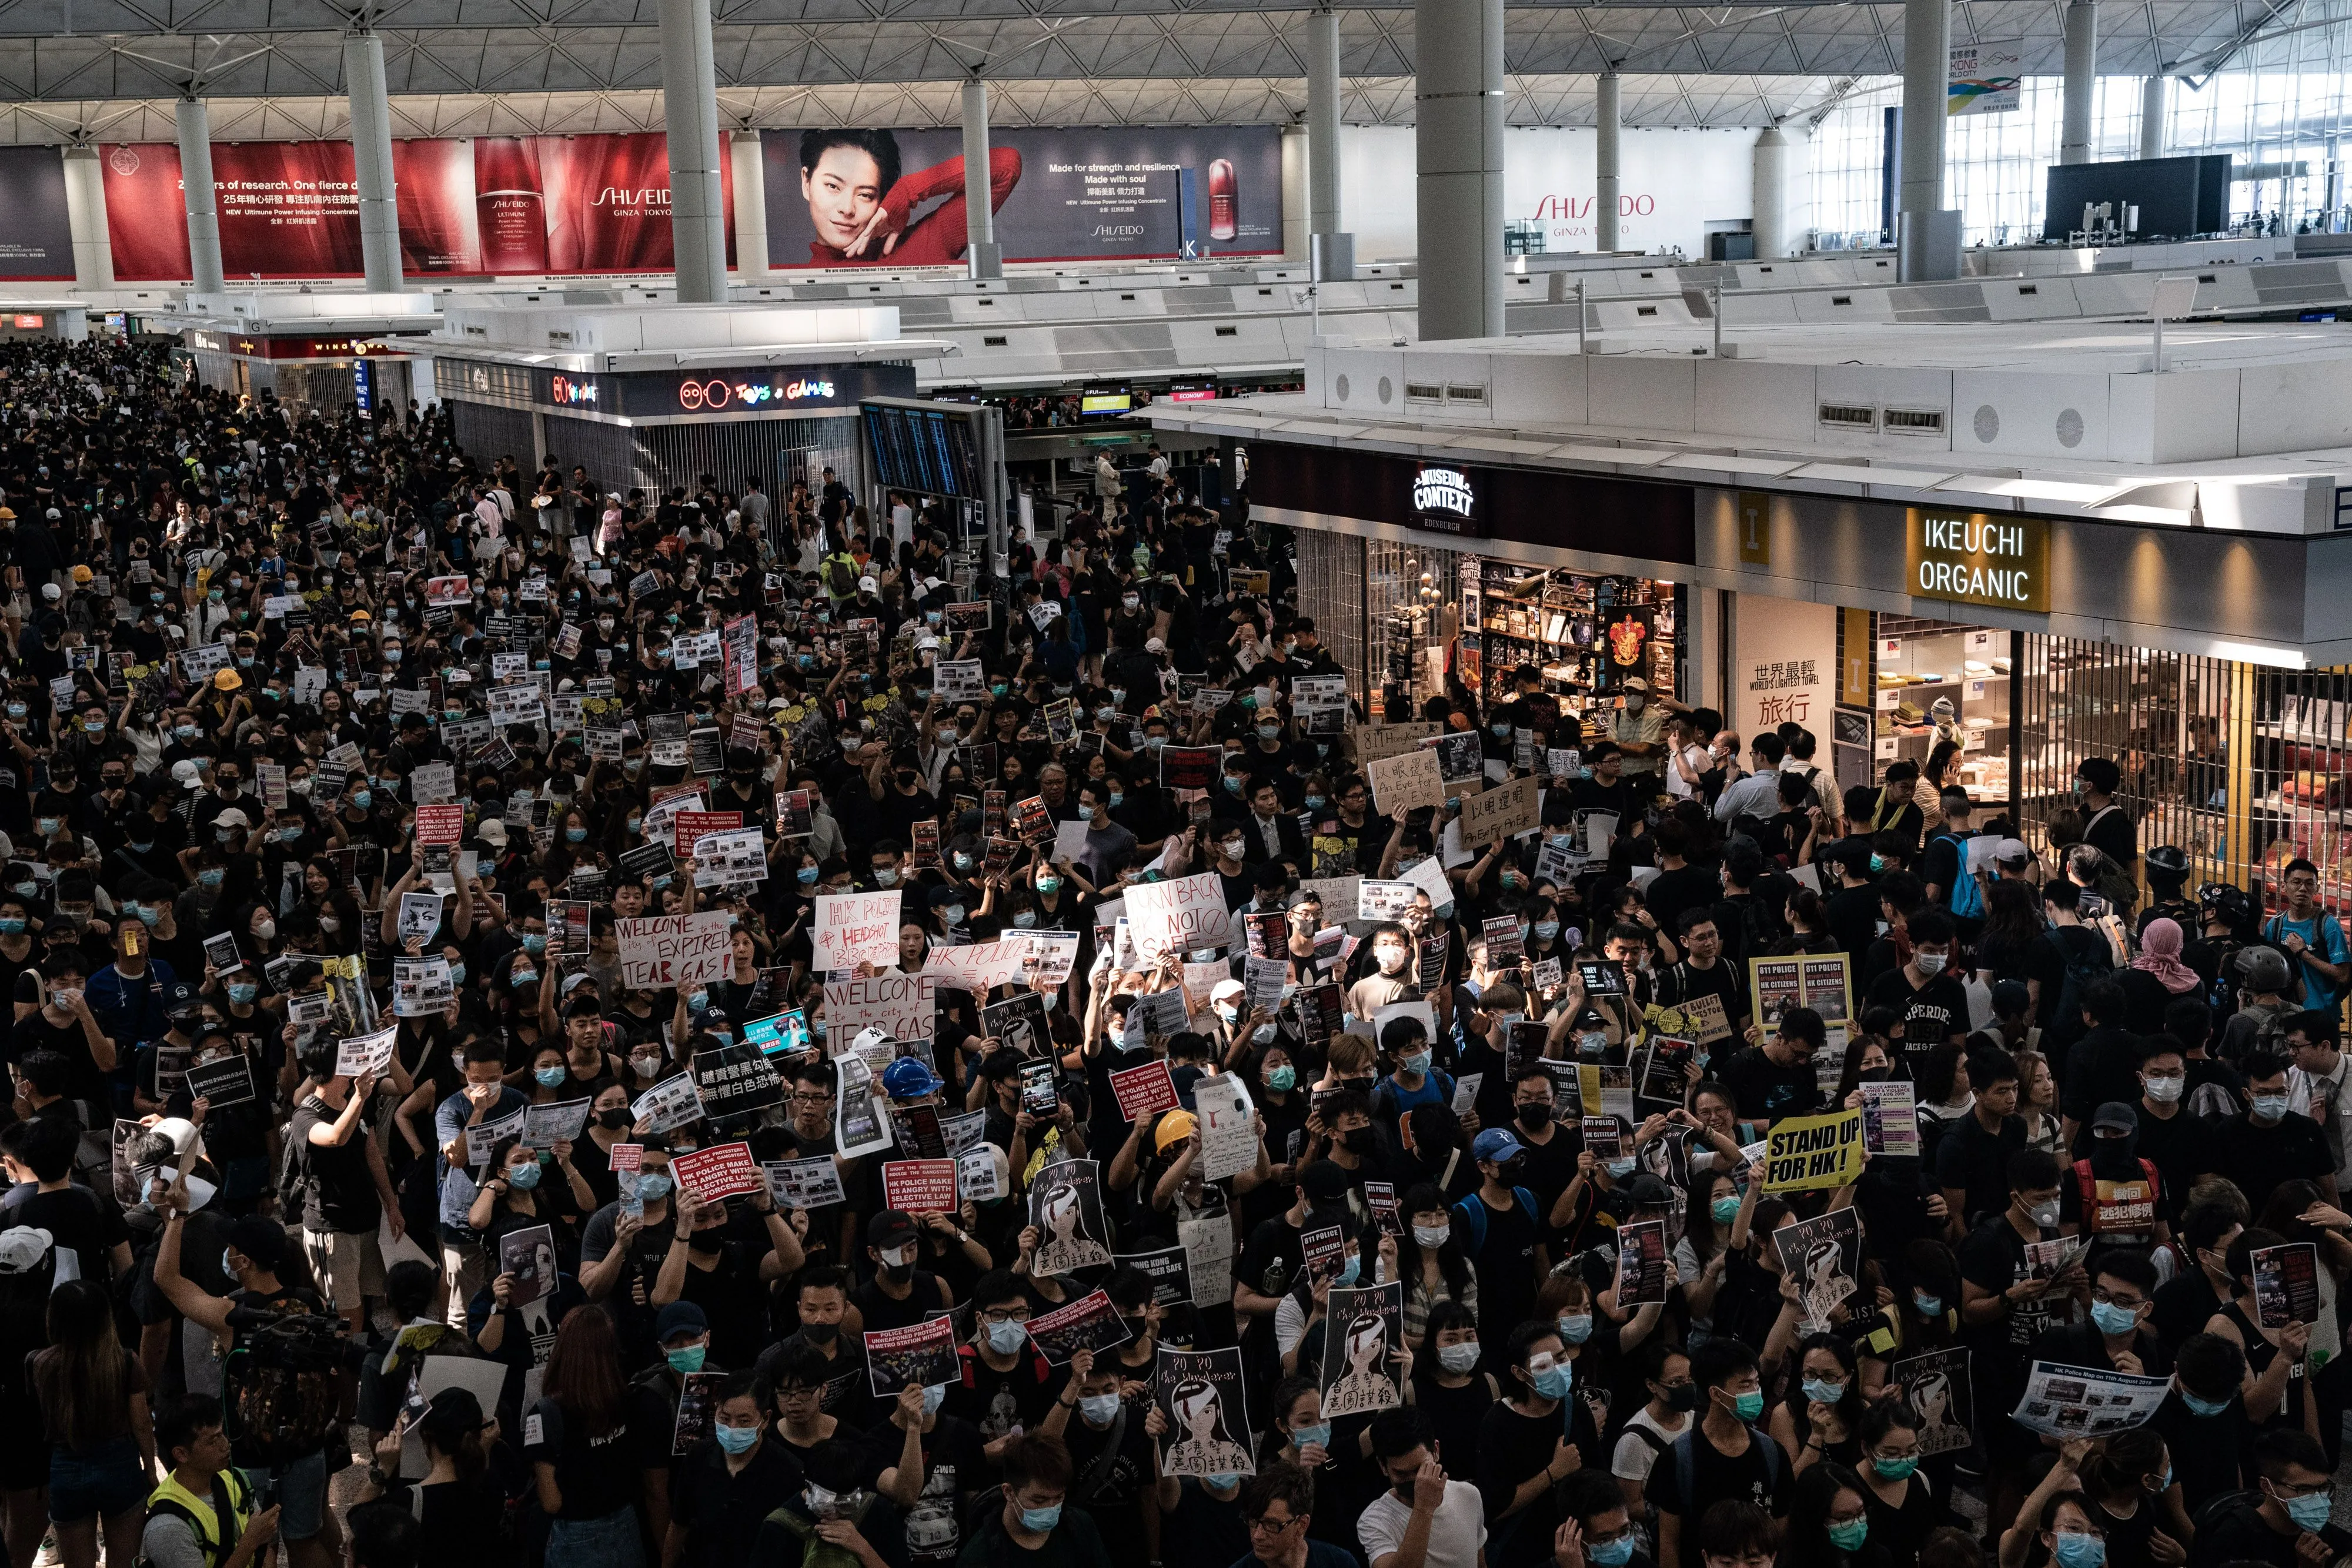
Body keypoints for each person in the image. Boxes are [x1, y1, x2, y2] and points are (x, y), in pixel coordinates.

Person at [32, 1278, 154, 1568]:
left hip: (66, 1466)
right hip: (120, 1466)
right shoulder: (125, 1362)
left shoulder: (39, 1364)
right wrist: (150, 1470)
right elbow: (141, 1425)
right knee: (124, 1563)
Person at [1646, 1339, 1788, 1568]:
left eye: (1756, 1383)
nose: (1755, 1393)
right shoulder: (1678, 1459)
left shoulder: (1772, 1454)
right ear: (1716, 1394)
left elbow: (1780, 1533)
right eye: (1745, 1385)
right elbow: (1669, 1543)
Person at [141, 1396, 279, 1568]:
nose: (226, 1445)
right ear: (181, 1454)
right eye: (213, 1441)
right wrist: (250, 1542)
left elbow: (265, 1548)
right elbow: (256, 1539)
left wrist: (260, 1542)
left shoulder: (234, 1479)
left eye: (222, 1434)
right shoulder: (168, 1528)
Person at [953, 1431, 1112, 1568]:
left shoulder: (1080, 1527)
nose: (1051, 1508)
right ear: (1008, 1492)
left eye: (1059, 1497)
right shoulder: (979, 1557)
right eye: (1039, 1500)